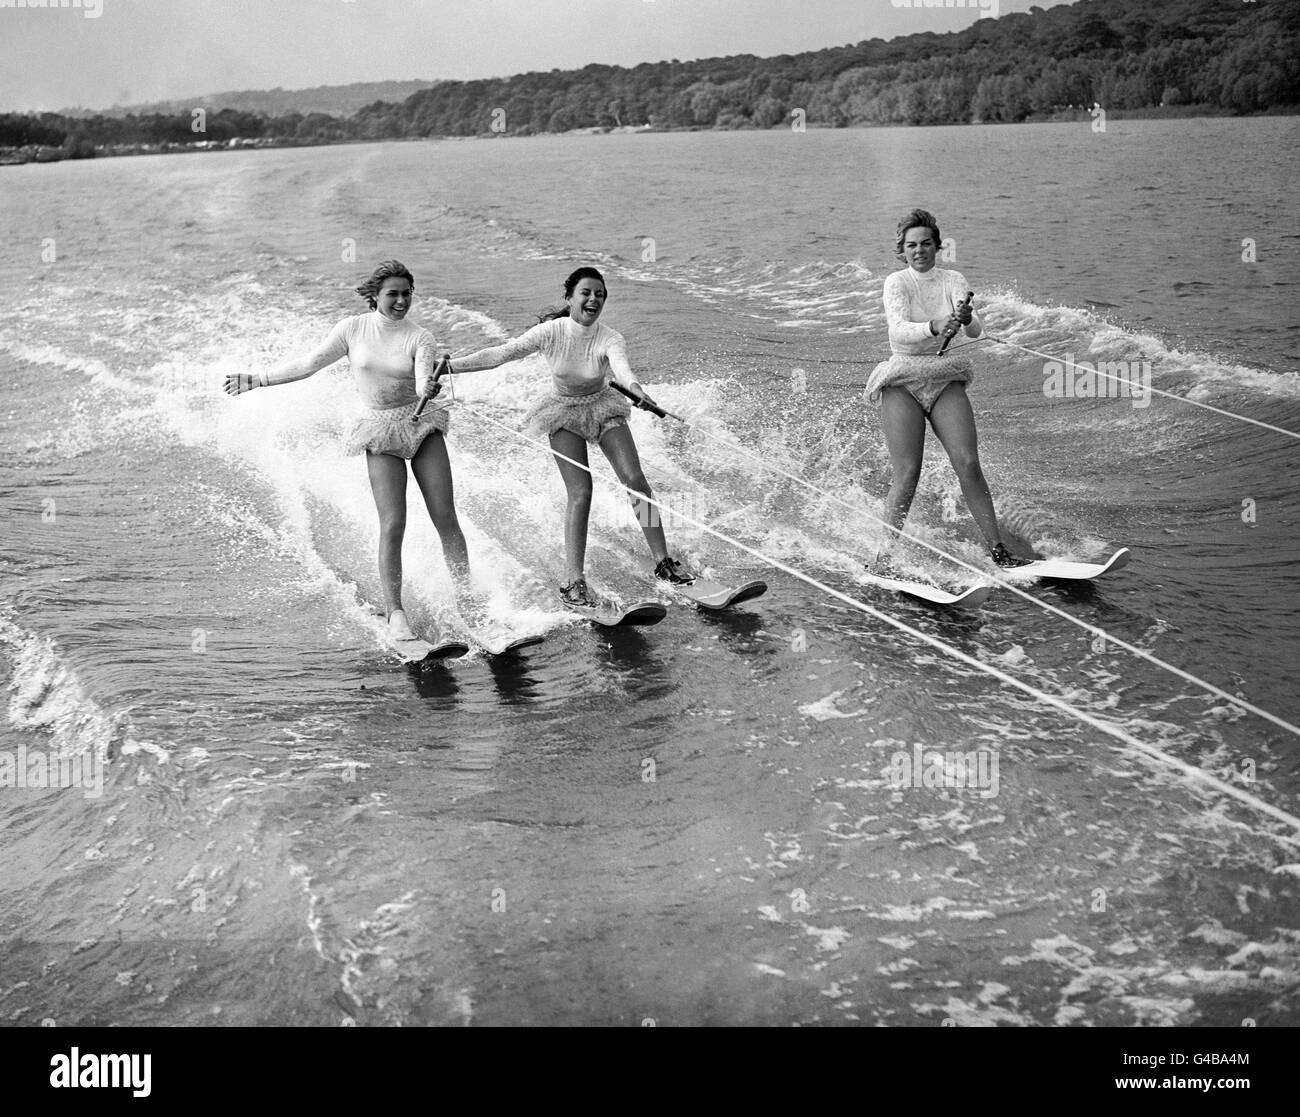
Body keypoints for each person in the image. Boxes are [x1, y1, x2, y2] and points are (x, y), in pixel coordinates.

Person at [222, 260, 472, 639]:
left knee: (445, 517)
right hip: (379, 430)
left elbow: (423, 378)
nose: (401, 301)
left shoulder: (420, 337)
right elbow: (309, 365)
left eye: (407, 293)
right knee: (393, 523)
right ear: (375, 296)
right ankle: (396, 614)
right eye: (393, 294)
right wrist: (258, 379)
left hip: (421, 425)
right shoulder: (353, 329)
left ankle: (469, 602)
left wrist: (427, 389)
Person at [438, 266, 692, 607]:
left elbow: (624, 371)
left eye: (599, 294)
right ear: (570, 298)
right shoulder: (551, 332)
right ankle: (573, 581)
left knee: (635, 481)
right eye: (586, 293)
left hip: (603, 406)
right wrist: (453, 366)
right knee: (581, 491)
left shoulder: (610, 338)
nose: (593, 299)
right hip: (562, 412)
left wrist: (637, 391)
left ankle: (663, 562)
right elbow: (502, 354)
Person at [864, 209, 1029, 571]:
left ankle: (999, 550)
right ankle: (883, 558)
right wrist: (936, 325)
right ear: (902, 250)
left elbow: (973, 331)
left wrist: (966, 319)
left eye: (926, 244)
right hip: (902, 379)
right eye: (911, 245)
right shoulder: (897, 282)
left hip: (944, 376)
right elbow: (898, 331)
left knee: (968, 463)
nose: (919, 250)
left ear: (937, 246)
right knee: (908, 473)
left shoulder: (953, 279)